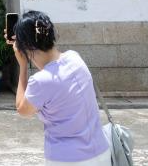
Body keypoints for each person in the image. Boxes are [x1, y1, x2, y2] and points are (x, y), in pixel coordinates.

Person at [6, 10, 111, 166]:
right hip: (101, 152)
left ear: (26, 46)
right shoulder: (75, 58)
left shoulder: (40, 81)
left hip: (67, 159)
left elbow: (23, 110)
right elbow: (53, 72)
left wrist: (23, 66)